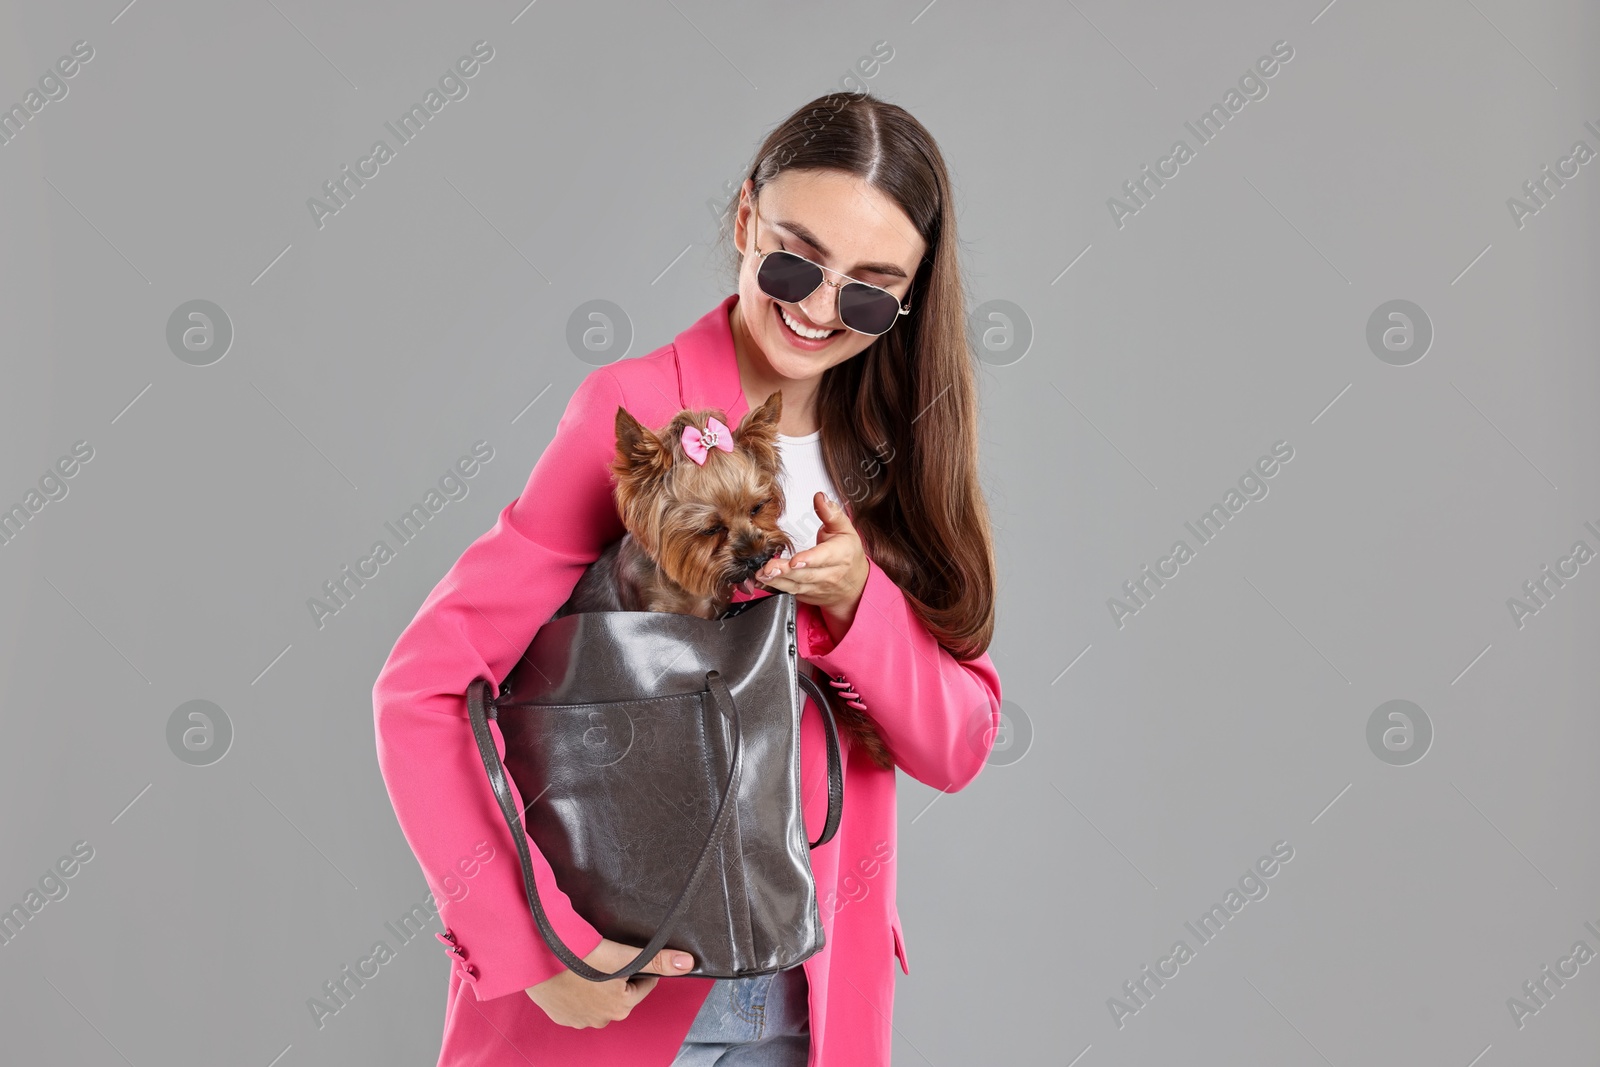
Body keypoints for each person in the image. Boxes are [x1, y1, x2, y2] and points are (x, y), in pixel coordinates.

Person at [372, 90, 1003, 1067]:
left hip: (808, 1009)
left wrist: (852, 604)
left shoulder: (897, 457)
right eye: (794, 260)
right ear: (746, 220)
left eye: (870, 292)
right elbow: (422, 687)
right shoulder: (631, 413)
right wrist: (531, 948)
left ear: (909, 300)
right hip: (620, 995)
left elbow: (957, 743)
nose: (818, 308)